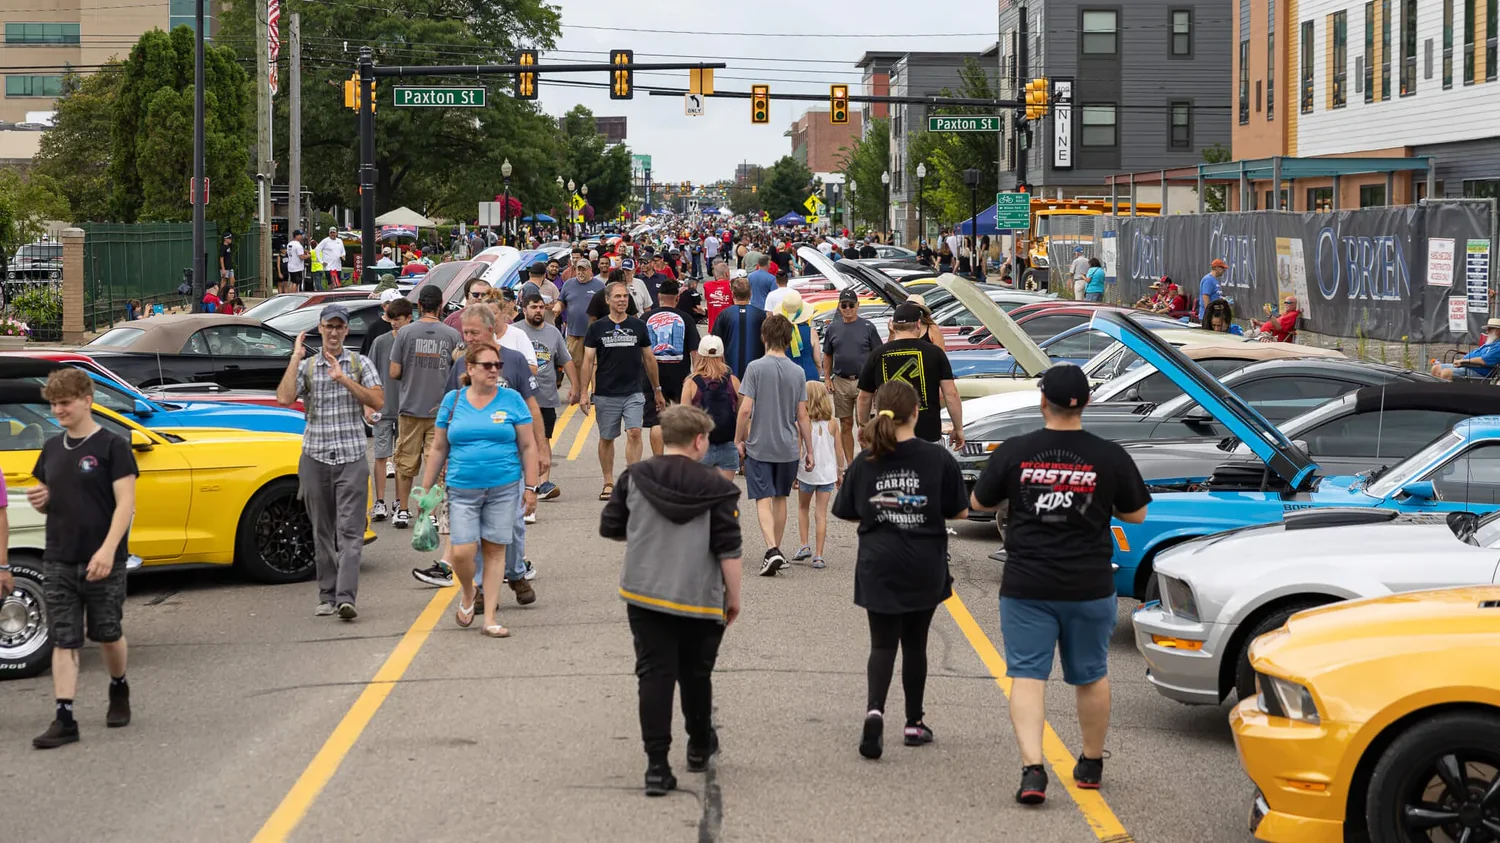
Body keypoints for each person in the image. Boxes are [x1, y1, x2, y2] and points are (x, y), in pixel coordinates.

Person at [968, 364, 1151, 805]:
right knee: (1091, 675)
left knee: (1028, 676)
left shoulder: (1016, 450)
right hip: (1089, 584)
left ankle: (1033, 771)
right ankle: (1090, 763)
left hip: (1027, 584)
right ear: (1086, 403)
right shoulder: (1109, 455)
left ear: (1042, 402)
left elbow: (978, 501)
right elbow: (1137, 515)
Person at [600, 404, 743, 797]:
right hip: (699, 597)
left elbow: (611, 527)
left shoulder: (635, 477)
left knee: (654, 674)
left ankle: (657, 767)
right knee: (696, 674)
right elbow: (729, 551)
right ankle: (698, 745)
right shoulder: (719, 488)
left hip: (644, 593)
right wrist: (734, 599)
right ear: (699, 441)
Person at [833, 379, 968, 761]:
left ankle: (874, 711)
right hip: (924, 561)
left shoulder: (867, 459)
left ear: (879, 412)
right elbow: (960, 510)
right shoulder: (937, 458)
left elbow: (845, 509)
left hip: (879, 560)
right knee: (915, 644)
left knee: (881, 643)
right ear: (916, 413)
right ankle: (913, 722)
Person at [27, 368, 140, 749]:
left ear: (87, 400)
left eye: (66, 403)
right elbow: (52, 497)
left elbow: (126, 504)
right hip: (59, 557)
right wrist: (42, 501)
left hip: (103, 558)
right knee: (64, 639)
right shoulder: (51, 449)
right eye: (54, 404)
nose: (59, 410)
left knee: (108, 634)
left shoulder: (113, 446)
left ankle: (118, 686)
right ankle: (64, 717)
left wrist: (108, 550)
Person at [420, 342, 540, 638]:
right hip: (461, 488)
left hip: (504, 487)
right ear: (469, 368)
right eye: (487, 365)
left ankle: (489, 619)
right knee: (462, 552)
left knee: (495, 551)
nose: (494, 371)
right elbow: (438, 447)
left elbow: (528, 445)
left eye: (497, 365)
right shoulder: (453, 400)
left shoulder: (511, 399)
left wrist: (531, 487)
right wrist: (425, 492)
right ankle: (468, 590)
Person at [276, 304, 385, 619]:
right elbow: (284, 397)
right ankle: (326, 595)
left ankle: (345, 597)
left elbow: (378, 400)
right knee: (321, 530)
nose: (334, 332)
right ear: (320, 329)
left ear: (346, 330)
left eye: (339, 326)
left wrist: (344, 380)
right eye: (329, 326)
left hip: (351, 456)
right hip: (315, 456)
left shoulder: (359, 363)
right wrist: (295, 358)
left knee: (350, 531)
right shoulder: (308, 366)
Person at [735, 314, 813, 577]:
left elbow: (746, 409)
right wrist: (810, 449)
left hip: (760, 444)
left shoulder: (755, 368)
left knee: (762, 497)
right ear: (790, 339)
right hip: (788, 446)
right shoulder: (798, 372)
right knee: (781, 498)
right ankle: (776, 549)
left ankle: (771, 549)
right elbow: (802, 414)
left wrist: (738, 439)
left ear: (763, 337)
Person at [389, 285, 463, 529]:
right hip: (441, 409)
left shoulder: (405, 333)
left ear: (419, 306)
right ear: (440, 306)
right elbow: (458, 371)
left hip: (410, 406)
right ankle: (430, 511)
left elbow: (394, 371)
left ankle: (402, 510)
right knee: (437, 461)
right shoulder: (452, 335)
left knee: (405, 463)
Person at [581, 281, 663, 501]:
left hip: (634, 391)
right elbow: (588, 361)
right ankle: (608, 482)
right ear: (607, 300)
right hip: (606, 392)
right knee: (607, 437)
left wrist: (657, 389)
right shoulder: (597, 328)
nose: (622, 300)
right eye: (617, 296)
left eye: (625, 296)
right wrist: (583, 392)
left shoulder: (638, 325)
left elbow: (649, 358)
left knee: (635, 432)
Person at [857, 303, 964, 449]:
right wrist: (958, 428)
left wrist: (864, 426)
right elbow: (951, 393)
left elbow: (864, 397)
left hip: (887, 437)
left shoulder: (878, 354)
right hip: (928, 435)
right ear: (919, 324)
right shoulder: (935, 353)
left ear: (893, 326)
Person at [518, 293, 579, 500]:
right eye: (534, 307)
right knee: (518, 441)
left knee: (543, 439)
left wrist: (576, 387)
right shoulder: (515, 332)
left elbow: (566, 360)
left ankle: (543, 484)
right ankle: (521, 484)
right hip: (518, 398)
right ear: (524, 309)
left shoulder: (553, 333)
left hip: (545, 395)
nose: (538, 311)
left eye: (541, 307)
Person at [823, 288, 883, 465]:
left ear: (858, 305)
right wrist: (827, 377)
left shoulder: (868, 327)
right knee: (845, 423)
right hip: (841, 381)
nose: (848, 308)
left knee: (864, 424)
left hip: (863, 383)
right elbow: (827, 354)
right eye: (844, 305)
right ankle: (851, 464)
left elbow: (877, 354)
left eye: (851, 305)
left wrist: (877, 381)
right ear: (840, 307)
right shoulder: (833, 328)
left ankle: (867, 461)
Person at [367, 297, 413, 521]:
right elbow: (369, 374)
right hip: (384, 407)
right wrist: (368, 405)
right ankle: (380, 501)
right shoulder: (381, 342)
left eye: (399, 319)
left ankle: (399, 501)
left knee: (403, 458)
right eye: (392, 319)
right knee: (381, 456)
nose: (394, 323)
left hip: (406, 408)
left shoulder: (413, 341)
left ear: (409, 319)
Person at [792, 380, 843, 569]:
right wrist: (840, 472)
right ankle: (819, 555)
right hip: (827, 473)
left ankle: (804, 544)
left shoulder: (801, 425)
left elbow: (798, 450)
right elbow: (839, 451)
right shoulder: (833, 423)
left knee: (803, 508)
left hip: (807, 473)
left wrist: (794, 473)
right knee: (821, 513)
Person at [681, 335, 740, 480]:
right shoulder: (733, 381)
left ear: (700, 355)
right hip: (728, 444)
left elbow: (684, 419)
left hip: (700, 446)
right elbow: (741, 414)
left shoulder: (691, 383)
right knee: (724, 497)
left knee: (700, 497)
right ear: (722, 355)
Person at [711, 277, 766, 380]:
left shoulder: (724, 314)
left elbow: (715, 342)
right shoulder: (760, 315)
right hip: (756, 372)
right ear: (750, 294)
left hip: (729, 373)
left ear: (732, 295)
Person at [559, 259, 606, 375]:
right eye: (578, 270)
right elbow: (561, 301)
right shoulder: (568, 284)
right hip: (574, 334)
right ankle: (579, 391)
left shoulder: (600, 286)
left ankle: (593, 391)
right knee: (575, 365)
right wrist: (557, 307)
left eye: (583, 270)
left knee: (595, 365)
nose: (580, 273)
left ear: (590, 270)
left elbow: (606, 307)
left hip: (594, 334)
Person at [1433, 318, 1500, 380]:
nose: (1487, 332)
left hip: (1479, 371)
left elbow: (1483, 360)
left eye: (1489, 329)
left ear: (1497, 331)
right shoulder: (1489, 343)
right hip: (1467, 365)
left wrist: (1463, 361)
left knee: (1446, 373)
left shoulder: (1498, 346)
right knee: (1436, 368)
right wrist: (1462, 361)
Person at [777, 290, 822, 381]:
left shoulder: (778, 332)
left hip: (786, 377)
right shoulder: (812, 332)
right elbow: (818, 362)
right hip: (809, 375)